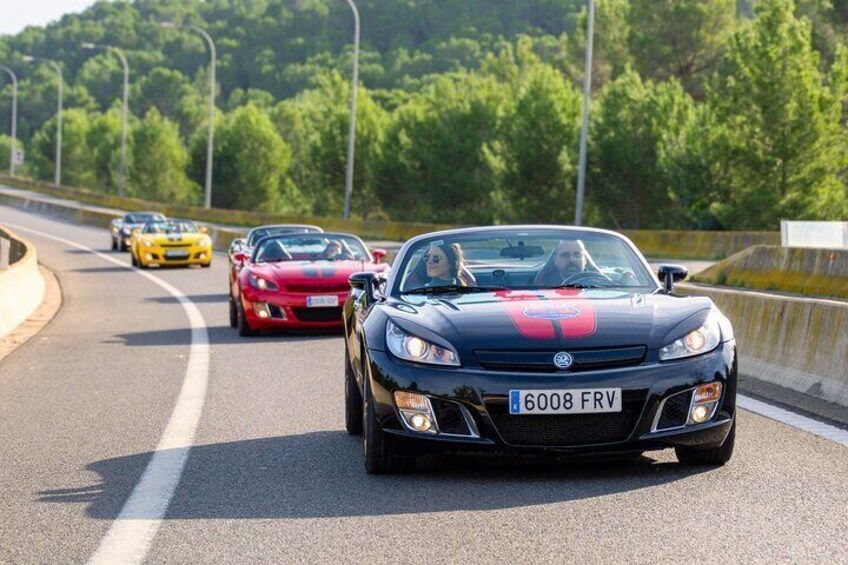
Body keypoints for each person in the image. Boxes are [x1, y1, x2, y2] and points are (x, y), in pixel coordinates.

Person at [404, 243, 473, 289]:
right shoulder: (419, 291)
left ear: (450, 264)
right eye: (427, 257)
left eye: (436, 259)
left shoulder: (421, 293)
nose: (429, 262)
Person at [534, 239, 599, 286]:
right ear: (555, 261)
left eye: (577, 254)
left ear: (585, 259)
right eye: (565, 255)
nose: (572, 259)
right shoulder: (545, 285)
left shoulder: (598, 283)